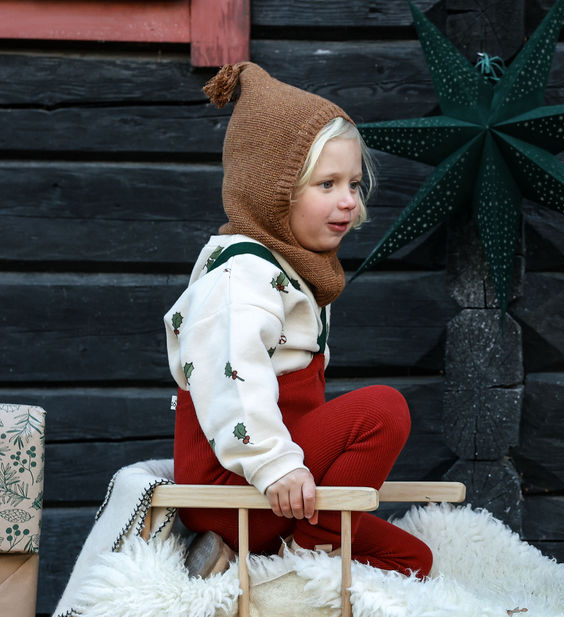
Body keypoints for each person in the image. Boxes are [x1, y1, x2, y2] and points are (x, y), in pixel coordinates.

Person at [164, 62, 432, 578]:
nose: (348, 201)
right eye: (327, 183)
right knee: (383, 409)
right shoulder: (240, 276)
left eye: (353, 183)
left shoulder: (295, 271)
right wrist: (276, 463)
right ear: (272, 191)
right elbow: (231, 377)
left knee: (414, 560)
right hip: (233, 480)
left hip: (272, 480)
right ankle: (307, 548)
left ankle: (284, 547)